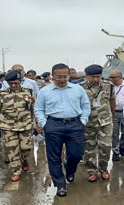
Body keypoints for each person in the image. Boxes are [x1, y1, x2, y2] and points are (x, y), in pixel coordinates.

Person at [34, 63, 90, 197]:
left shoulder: (78, 89)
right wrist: (44, 123)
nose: (62, 79)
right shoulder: (45, 92)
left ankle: (70, 169)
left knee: (76, 154)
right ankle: (60, 185)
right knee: (53, 157)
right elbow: (39, 109)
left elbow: (86, 106)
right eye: (59, 77)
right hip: (53, 125)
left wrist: (83, 120)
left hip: (75, 124)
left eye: (65, 76)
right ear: (52, 76)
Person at [0, 71, 35, 181]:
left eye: (16, 83)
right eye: (11, 83)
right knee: (11, 148)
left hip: (26, 125)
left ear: (20, 81)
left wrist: (37, 122)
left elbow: (35, 108)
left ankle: (24, 159)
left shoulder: (29, 92)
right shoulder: (2, 93)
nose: (13, 85)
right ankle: (16, 170)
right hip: (7, 126)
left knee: (25, 147)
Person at [79, 65, 115, 182]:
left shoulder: (108, 85)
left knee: (106, 146)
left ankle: (104, 169)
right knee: (89, 148)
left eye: (98, 77)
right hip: (87, 123)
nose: (95, 79)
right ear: (87, 76)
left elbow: (112, 101)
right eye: (93, 77)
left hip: (105, 122)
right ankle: (92, 171)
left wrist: (111, 116)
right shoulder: (79, 88)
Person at [109, 70, 124, 161]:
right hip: (113, 112)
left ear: (120, 77)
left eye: (113, 77)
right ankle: (115, 151)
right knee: (114, 133)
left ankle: (122, 146)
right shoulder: (109, 86)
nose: (111, 79)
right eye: (110, 77)